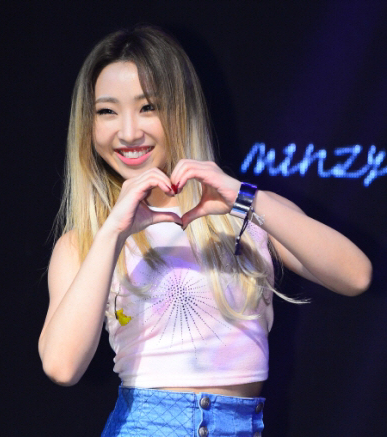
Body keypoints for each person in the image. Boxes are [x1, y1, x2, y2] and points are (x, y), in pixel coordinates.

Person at [38, 25, 372, 436]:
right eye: (107, 111)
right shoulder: (86, 241)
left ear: (182, 109)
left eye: (148, 107)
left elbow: (356, 276)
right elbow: (62, 366)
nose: (128, 132)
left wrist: (245, 200)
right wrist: (114, 232)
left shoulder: (246, 212)